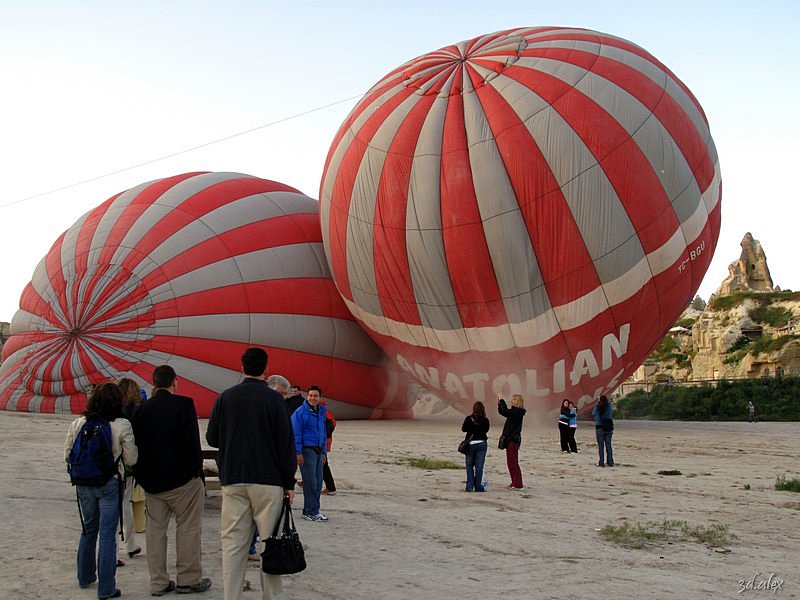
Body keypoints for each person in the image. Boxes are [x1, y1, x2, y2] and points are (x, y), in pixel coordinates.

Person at [206, 348, 297, 600]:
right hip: (268, 481)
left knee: (234, 544)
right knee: (271, 543)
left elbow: (212, 437)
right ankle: (271, 596)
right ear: (265, 369)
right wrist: (289, 482)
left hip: (234, 478)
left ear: (241, 367)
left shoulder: (225, 398)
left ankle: (231, 596)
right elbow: (286, 444)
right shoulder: (275, 400)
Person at [132, 365, 211, 596]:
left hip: (152, 482)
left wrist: (142, 475)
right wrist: (197, 472)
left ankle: (158, 582)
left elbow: (136, 444)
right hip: (183, 481)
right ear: (175, 381)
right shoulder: (184, 404)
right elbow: (192, 442)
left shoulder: (141, 409)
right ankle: (188, 579)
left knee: (155, 531)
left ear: (154, 383)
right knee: (188, 528)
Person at [64, 382, 137, 600]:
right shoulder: (122, 424)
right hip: (109, 483)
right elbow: (132, 458)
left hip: (84, 484)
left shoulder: (79, 423)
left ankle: (85, 576)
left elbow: (68, 454)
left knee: (88, 530)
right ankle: (106, 588)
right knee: (107, 535)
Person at [115, 378, 144, 562]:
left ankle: (120, 546)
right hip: (128, 467)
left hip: (112, 466)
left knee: (118, 507)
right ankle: (130, 544)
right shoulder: (138, 413)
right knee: (125, 505)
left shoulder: (112, 414)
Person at [291, 385, 329, 521]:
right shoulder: (300, 413)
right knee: (310, 482)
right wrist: (298, 452)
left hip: (318, 451)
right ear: (307, 396)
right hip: (307, 451)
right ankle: (310, 511)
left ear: (320, 398)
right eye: (311, 395)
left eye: (315, 396)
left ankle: (314, 510)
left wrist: (324, 451)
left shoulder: (321, 412)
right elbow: (296, 433)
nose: (313, 398)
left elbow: (322, 433)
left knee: (318, 482)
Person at [498, 393, 526, 490]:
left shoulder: (518, 412)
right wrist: (499, 402)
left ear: (518, 402)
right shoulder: (514, 411)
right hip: (510, 439)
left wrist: (502, 400)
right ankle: (514, 481)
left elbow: (505, 411)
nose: (511, 401)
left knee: (513, 462)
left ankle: (518, 484)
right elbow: (503, 412)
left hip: (513, 440)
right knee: (510, 462)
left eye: (514, 399)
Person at [461, 401, 490, 492]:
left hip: (471, 444)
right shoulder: (485, 420)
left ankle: (469, 486)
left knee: (469, 465)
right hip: (481, 443)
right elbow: (486, 430)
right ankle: (479, 486)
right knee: (479, 466)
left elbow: (463, 429)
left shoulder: (469, 419)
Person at [592, 394, 615, 467]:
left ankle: (601, 462)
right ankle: (610, 462)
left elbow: (593, 413)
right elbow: (611, 410)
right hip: (608, 427)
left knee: (601, 446)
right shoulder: (608, 407)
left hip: (599, 427)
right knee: (609, 445)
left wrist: (597, 402)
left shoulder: (598, 407)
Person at [321, 400, 337, 495]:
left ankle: (331, 487)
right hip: (325, 442)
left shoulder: (323, 414)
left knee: (323, 465)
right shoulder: (328, 413)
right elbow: (333, 425)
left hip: (322, 443)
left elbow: (329, 428)